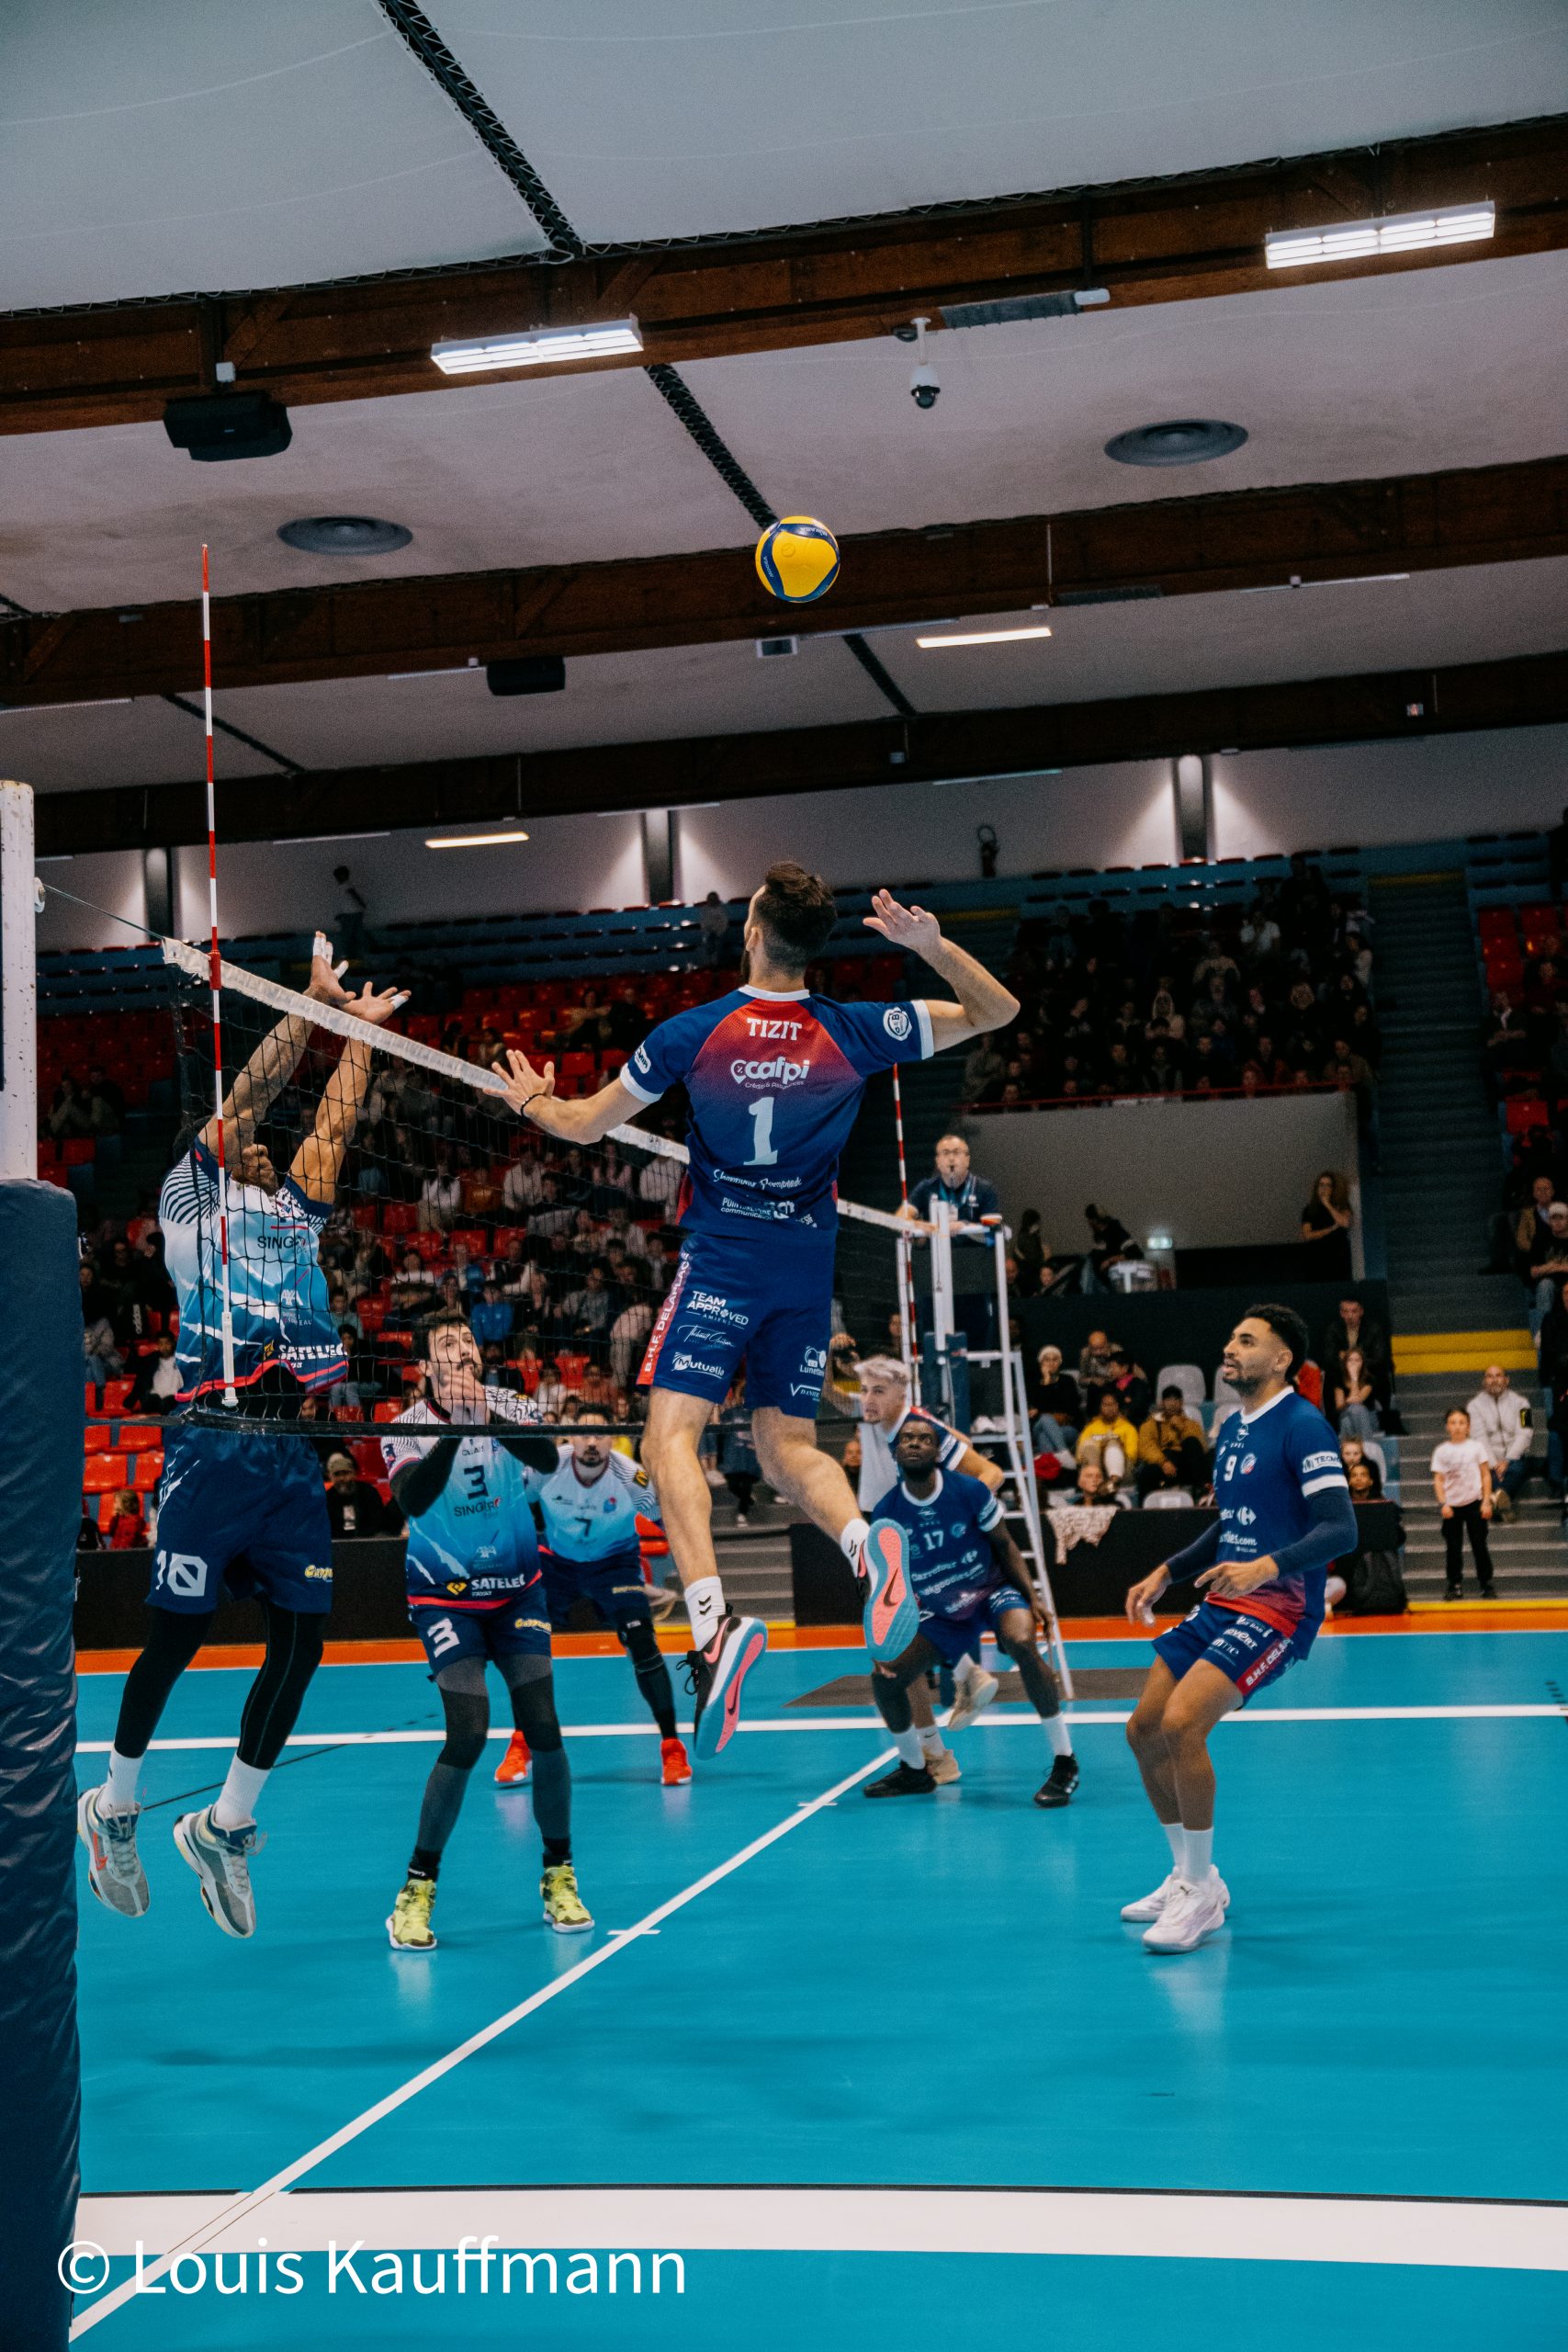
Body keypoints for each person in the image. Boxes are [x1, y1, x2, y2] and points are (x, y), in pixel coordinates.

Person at [491, 865, 1018, 1757]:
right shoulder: (856, 1029)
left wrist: (535, 1098)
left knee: (669, 1439)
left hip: (723, 1261)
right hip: (804, 1266)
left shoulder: (691, 1033)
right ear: (813, 946)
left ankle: (712, 1623)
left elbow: (581, 1124)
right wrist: (929, 946)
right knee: (787, 1448)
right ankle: (866, 1550)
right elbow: (997, 1011)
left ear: (750, 932)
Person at [77, 936, 404, 1939]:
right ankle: (116, 1805)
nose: (262, 1149)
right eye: (244, 1144)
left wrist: (360, 1035)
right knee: (176, 1637)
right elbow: (255, 1094)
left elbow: (335, 1122)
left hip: (287, 1456)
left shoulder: (293, 1215)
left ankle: (224, 1826)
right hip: (212, 1442)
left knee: (303, 1642)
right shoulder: (192, 1203)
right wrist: (308, 1006)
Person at [1122, 1306, 1355, 1954]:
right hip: (1225, 1599)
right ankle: (1188, 1875)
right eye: (1230, 1337)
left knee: (1181, 1724)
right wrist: (1167, 1571)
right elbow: (1229, 1523)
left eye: (1246, 1341)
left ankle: (1201, 1895)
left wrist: (1265, 1568)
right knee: (1142, 1730)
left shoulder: (1304, 1427)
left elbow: (1341, 1529)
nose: (1230, 1348)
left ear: (1281, 1359)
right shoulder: (1229, 1427)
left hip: (1278, 1608)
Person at [380, 1317, 590, 1947]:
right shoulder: (404, 1426)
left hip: (517, 1589)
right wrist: (457, 1429)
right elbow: (412, 1500)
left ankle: (559, 1875)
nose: (463, 1351)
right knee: (468, 1733)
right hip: (443, 1597)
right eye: (447, 1346)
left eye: (468, 1342)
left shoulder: (511, 1406)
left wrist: (486, 1416)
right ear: (426, 1368)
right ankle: (416, 1889)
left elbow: (547, 1458)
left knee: (544, 1727)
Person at [860, 1419, 1077, 1807]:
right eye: (907, 1439)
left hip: (990, 1590)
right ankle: (914, 1769)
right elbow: (883, 1581)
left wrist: (1032, 1597)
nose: (915, 1443)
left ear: (937, 1452)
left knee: (1022, 1641)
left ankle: (1065, 1761)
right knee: (886, 1679)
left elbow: (1005, 1544)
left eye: (924, 1439)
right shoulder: (886, 1513)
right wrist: (882, 1636)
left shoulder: (969, 1490)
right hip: (940, 1612)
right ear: (896, 1453)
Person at [502, 1408, 690, 1789]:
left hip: (615, 1564)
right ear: (570, 1438)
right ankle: (521, 1744)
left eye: (600, 1435)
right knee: (526, 1647)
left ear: (612, 1440)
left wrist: (687, 1579)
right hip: (557, 1563)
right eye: (583, 1434)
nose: (591, 1442)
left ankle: (672, 1748)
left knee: (642, 1643)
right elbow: (508, 1504)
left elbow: (672, 1519)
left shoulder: (631, 1479)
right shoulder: (546, 1467)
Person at [831, 1351, 1003, 1511]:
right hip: (876, 1513)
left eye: (878, 1391)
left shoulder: (920, 1426)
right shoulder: (868, 1409)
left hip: (909, 1517)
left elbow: (990, 1471)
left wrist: (961, 1510)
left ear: (901, 1397)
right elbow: (829, 1392)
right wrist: (826, 1353)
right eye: (864, 1390)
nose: (868, 1399)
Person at [1430, 1406, 1497, 1600]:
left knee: (1479, 1545)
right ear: (1447, 1427)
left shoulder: (1476, 1447)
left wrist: (1486, 1502)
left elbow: (1486, 1475)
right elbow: (1438, 1480)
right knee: (1453, 1547)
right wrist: (1443, 1504)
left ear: (1468, 1426)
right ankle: (1455, 1585)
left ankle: (1486, 1583)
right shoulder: (1441, 1450)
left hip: (1475, 1503)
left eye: (1462, 1422)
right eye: (1453, 1422)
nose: (1457, 1426)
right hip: (1452, 1506)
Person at [1466, 1363, 1534, 1520]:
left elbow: (1526, 1433)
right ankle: (1502, 1505)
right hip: (1488, 1460)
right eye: (1489, 1376)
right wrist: (1495, 1464)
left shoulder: (1523, 1403)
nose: (1494, 1380)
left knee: (1516, 1469)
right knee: (1486, 1473)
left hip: (1514, 1458)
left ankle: (1493, 1500)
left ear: (1506, 1380)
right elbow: (1478, 1437)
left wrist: (1507, 1460)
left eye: (1498, 1375)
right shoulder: (1473, 1406)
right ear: (1484, 1381)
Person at [1135, 1388, 1210, 1500]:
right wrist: (1163, 1462)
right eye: (1168, 1400)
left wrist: (1181, 1428)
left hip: (1184, 1464)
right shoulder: (1149, 1425)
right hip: (1161, 1462)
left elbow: (1201, 1447)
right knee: (1147, 1472)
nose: (1172, 1404)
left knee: (1192, 1442)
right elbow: (1146, 1447)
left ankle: (1203, 1493)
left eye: (1176, 1400)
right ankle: (1144, 1507)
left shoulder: (1191, 1424)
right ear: (1162, 1403)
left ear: (1181, 1403)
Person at [323, 1450, 393, 1540]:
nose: (342, 1478)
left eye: (345, 1473)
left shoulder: (368, 1492)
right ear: (331, 1477)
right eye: (337, 1474)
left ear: (353, 1473)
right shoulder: (328, 1498)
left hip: (368, 1541)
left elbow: (379, 1522)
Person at [1300, 1170, 1353, 1277]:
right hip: (1317, 1256)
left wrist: (1328, 1205)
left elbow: (1345, 1223)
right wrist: (1330, 1229)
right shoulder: (1310, 1209)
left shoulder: (1342, 1205)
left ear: (1333, 1189)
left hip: (1338, 1255)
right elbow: (1307, 1235)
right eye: (1321, 1185)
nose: (1324, 1188)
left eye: (1328, 1185)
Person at [697, 890, 730, 967]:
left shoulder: (722, 909)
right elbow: (703, 923)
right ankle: (709, 964)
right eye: (711, 899)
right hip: (708, 933)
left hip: (720, 933)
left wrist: (718, 933)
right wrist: (708, 932)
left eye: (714, 899)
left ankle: (718, 964)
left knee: (719, 943)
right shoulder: (704, 910)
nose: (712, 901)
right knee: (707, 942)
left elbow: (724, 923)